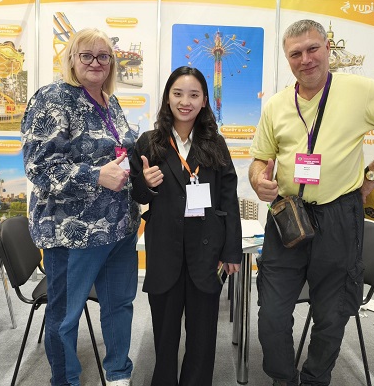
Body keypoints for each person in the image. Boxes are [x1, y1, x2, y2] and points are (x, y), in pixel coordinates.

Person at [249, 19, 374, 386]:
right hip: (288, 215)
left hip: (338, 216)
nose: (305, 59)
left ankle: (315, 379)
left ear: (328, 48)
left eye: (312, 49)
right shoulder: (277, 105)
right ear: (287, 59)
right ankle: (283, 379)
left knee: (331, 315)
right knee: (272, 314)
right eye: (295, 54)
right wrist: (257, 179)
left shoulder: (360, 90)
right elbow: (259, 158)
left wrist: (373, 173)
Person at [21, 28, 140, 386]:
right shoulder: (53, 98)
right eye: (86, 55)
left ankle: (118, 374)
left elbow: (120, 155)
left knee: (120, 305)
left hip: (119, 228)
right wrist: (94, 176)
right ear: (71, 59)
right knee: (65, 317)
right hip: (73, 232)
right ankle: (66, 380)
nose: (95, 62)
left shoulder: (110, 102)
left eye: (103, 56)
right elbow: (39, 167)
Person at [129, 66, 242, 386]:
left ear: (204, 100)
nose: (185, 101)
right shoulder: (149, 143)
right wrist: (146, 184)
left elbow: (228, 198)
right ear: (168, 97)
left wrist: (232, 250)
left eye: (194, 95)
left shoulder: (215, 144)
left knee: (203, 338)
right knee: (164, 337)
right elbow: (136, 194)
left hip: (205, 252)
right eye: (178, 93)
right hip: (164, 251)